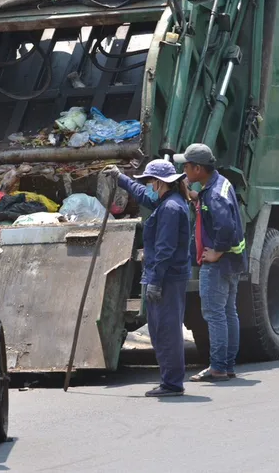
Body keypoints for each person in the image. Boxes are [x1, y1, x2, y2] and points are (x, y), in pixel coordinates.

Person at [102, 159, 190, 398]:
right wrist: (121, 178)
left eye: (151, 181)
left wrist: (156, 281)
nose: (149, 185)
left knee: (167, 330)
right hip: (164, 276)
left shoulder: (171, 208)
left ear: (160, 183)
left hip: (167, 278)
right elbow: (143, 195)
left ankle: (172, 383)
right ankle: (168, 380)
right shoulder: (165, 201)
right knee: (159, 328)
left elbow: (165, 249)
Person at [175, 143, 245, 383]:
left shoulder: (213, 194)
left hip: (219, 264)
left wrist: (216, 251)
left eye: (186, 166)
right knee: (228, 312)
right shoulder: (217, 184)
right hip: (233, 262)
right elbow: (210, 206)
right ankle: (227, 365)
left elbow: (225, 225)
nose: (183, 170)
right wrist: (193, 196)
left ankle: (217, 367)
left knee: (214, 314)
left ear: (197, 168)